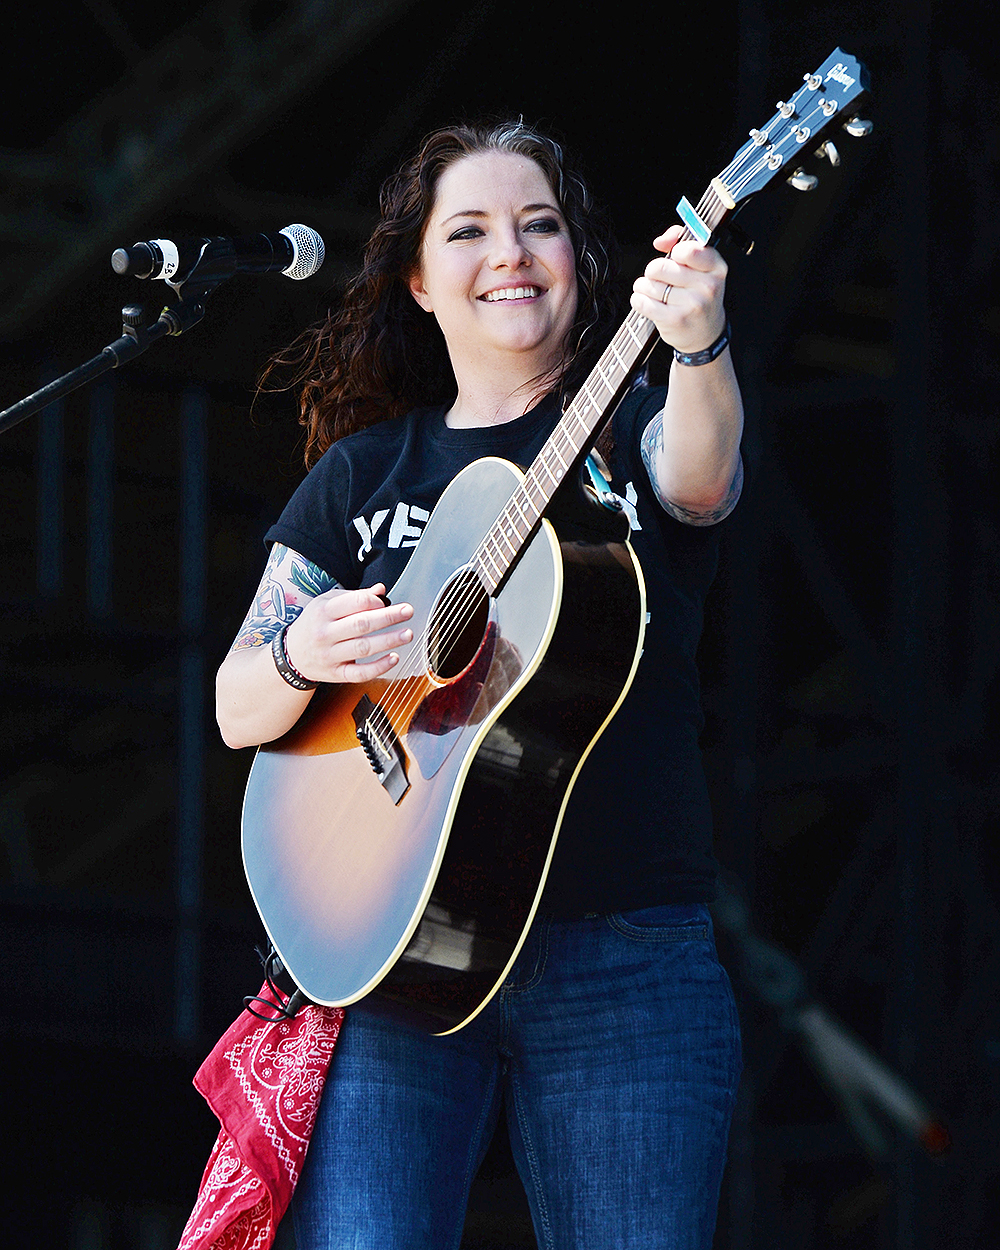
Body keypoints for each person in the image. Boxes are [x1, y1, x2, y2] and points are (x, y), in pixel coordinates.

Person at [216, 120, 744, 1250]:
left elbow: (698, 485)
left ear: (579, 260)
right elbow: (238, 702)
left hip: (625, 953)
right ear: (417, 277)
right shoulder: (365, 473)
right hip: (387, 957)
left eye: (538, 223)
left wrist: (699, 348)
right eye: (469, 230)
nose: (510, 250)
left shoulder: (634, 425)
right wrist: (308, 652)